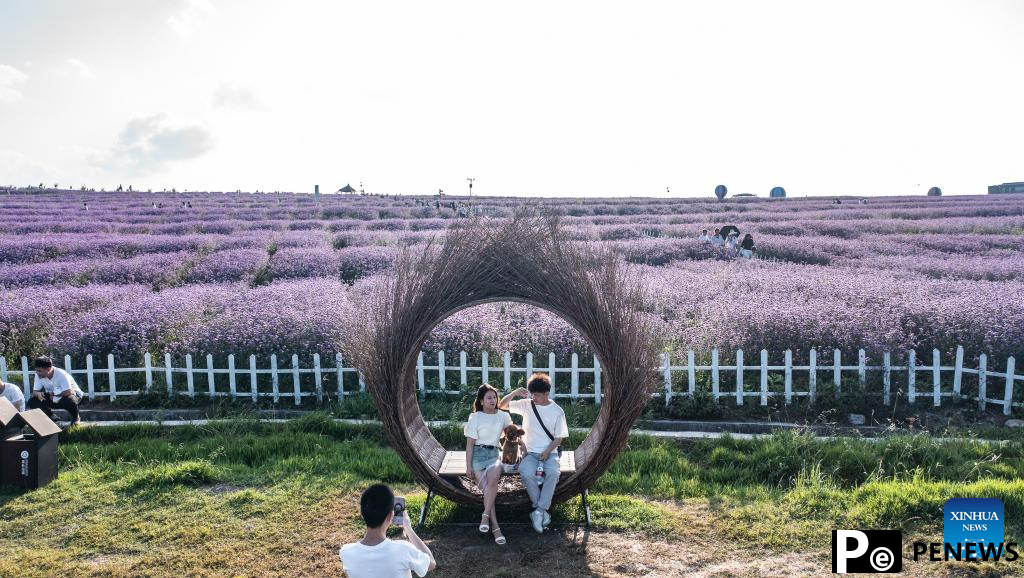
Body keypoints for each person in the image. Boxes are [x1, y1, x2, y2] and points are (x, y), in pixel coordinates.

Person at [499, 372, 568, 534]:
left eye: (537, 395)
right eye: (532, 394)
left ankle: (538, 511)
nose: (534, 397)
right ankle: (541, 511)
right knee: (524, 471)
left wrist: (547, 452)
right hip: (530, 453)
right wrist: (515, 393)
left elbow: (559, 439)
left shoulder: (557, 411)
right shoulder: (526, 404)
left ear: (546, 393)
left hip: (549, 453)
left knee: (553, 472)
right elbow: (502, 405)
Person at [340, 483, 437, 578]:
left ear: (362, 514)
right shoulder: (403, 549)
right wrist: (408, 529)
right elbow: (431, 563)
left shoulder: (346, 552)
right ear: (391, 515)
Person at [464, 384, 513, 544]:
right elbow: (470, 444)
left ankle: (486, 517)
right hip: (478, 455)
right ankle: (495, 527)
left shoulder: (503, 416)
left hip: (494, 454)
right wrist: (468, 466)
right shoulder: (475, 417)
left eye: (494, 397)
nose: (493, 400)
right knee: (487, 491)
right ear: (481, 401)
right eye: (489, 398)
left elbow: (512, 435)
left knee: (493, 481)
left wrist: (521, 445)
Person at [26, 356, 84, 425]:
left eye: (39, 371)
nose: (37, 373)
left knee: (69, 400)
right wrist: (38, 394)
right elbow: (34, 392)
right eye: (36, 370)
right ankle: (52, 417)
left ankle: (76, 417)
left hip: (72, 394)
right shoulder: (38, 375)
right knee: (32, 401)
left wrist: (53, 394)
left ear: (48, 369)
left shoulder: (61, 374)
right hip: (52, 396)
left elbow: (69, 391)